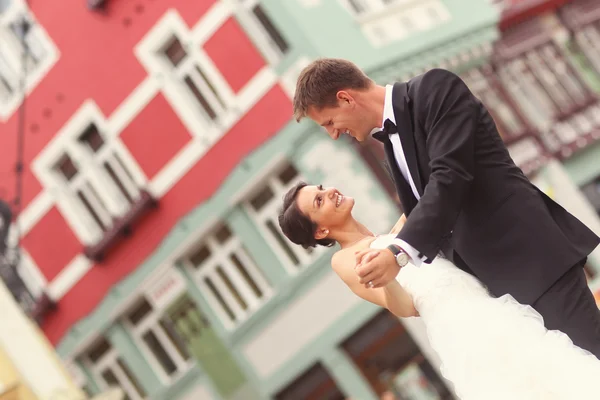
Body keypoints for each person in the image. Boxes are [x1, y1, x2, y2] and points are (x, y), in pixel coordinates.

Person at [292, 58, 600, 357]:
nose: (332, 133)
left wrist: (397, 253)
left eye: (329, 122)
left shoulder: (433, 89)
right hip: (497, 298)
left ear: (345, 98)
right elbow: (435, 221)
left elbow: (450, 177)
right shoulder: (390, 147)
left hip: (530, 261)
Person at [278, 182, 600, 399]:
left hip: (488, 305)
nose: (329, 191)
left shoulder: (391, 233)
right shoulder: (345, 260)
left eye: (320, 188)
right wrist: (386, 277)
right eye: (319, 200)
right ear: (321, 230)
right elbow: (404, 307)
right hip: (463, 327)